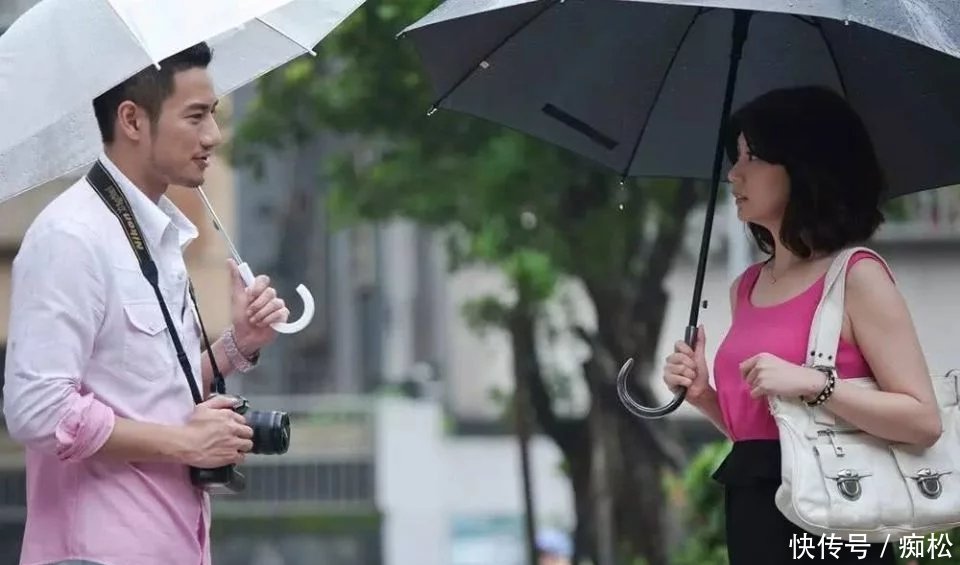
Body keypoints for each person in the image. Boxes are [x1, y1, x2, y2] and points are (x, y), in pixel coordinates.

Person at [2, 42, 289, 565]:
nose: (213, 135)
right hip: (96, 553)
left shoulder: (155, 235)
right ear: (133, 120)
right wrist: (185, 444)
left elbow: (147, 389)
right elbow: (36, 409)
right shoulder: (70, 237)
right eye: (196, 116)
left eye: (213, 114)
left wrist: (237, 344)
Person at [661, 86, 941, 565]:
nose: (734, 173)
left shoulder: (857, 277)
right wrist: (704, 395)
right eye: (735, 156)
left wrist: (815, 384)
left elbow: (923, 421)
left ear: (804, 167)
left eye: (753, 156)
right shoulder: (747, 286)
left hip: (838, 527)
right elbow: (769, 441)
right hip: (757, 517)